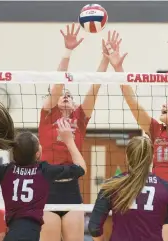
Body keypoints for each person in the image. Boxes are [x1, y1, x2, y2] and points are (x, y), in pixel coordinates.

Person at [104, 31, 168, 240]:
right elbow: (132, 103)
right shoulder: (156, 129)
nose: (163, 105)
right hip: (155, 199)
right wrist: (118, 68)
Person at [0, 87, 87, 241]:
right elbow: (81, 168)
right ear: (38, 154)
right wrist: (69, 140)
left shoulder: (5, 170)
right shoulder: (43, 171)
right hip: (33, 232)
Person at [39, 24, 122, 241]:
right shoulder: (48, 115)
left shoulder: (79, 118)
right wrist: (68, 51)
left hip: (71, 190)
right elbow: (57, 85)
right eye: (62, 95)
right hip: (46, 188)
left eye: (70, 95)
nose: (65, 96)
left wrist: (105, 59)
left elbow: (95, 87)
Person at [88, 136, 168, 241]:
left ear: (127, 156)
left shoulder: (112, 186)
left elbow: (94, 228)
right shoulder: (167, 188)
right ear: (152, 158)